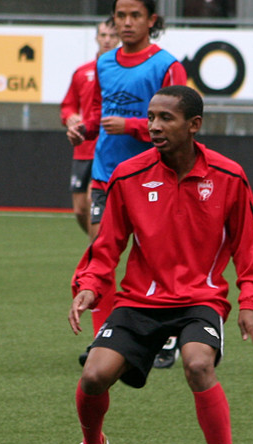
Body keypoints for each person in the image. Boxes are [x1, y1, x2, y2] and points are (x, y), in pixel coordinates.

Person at [60, 85, 253, 444]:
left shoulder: (229, 176)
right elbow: (107, 244)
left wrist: (251, 302)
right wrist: (89, 285)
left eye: (166, 118)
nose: (154, 126)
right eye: (151, 117)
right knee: (94, 376)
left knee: (198, 364)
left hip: (201, 299)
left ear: (194, 125)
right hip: (140, 299)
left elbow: (250, 245)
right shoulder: (128, 175)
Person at [67, 0, 188, 367]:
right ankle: (104, 339)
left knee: (160, 260)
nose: (126, 22)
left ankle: (168, 338)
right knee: (100, 257)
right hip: (107, 176)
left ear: (151, 20)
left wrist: (133, 126)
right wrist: (83, 129)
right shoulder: (104, 63)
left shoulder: (167, 66)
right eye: (120, 15)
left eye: (135, 15)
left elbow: (180, 125)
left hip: (154, 177)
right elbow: (98, 115)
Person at [60, 17, 119, 235]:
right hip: (83, 148)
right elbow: (68, 105)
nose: (107, 40)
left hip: (108, 147)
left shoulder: (122, 72)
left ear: (119, 39)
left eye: (112, 36)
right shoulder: (82, 72)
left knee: (93, 201)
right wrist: (70, 117)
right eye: (103, 35)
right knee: (80, 209)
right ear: (96, 38)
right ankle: (99, 244)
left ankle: (98, 249)